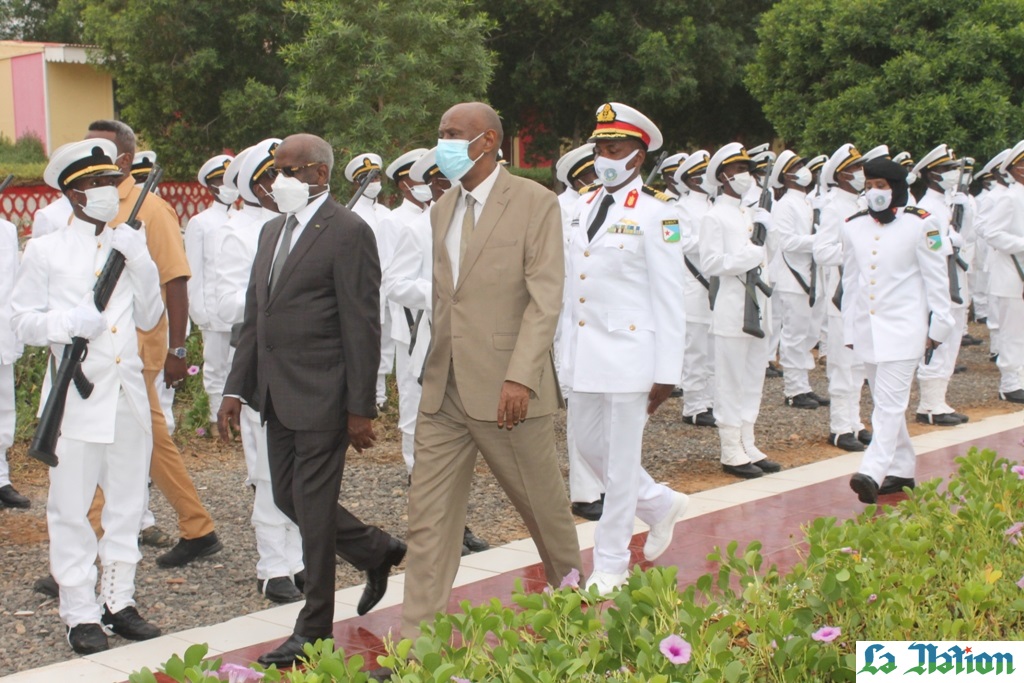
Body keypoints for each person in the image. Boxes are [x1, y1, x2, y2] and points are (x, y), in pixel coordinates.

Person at [219, 133, 406, 667]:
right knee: (286, 498)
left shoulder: (349, 232)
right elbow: (258, 318)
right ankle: (376, 549)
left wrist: (360, 407)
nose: (277, 181)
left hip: (325, 396)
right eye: (275, 171)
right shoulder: (272, 230)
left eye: (288, 170)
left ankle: (314, 628)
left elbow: (361, 324)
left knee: (315, 508)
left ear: (318, 175)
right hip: (276, 394)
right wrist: (236, 387)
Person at [399, 102, 581, 642]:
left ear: (488, 140)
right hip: (445, 391)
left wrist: (521, 376)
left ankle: (576, 614)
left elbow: (545, 298)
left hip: (509, 391)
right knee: (428, 522)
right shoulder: (442, 208)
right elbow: (444, 298)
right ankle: (417, 647)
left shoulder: (534, 202)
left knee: (545, 514)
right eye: (440, 133)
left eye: (453, 134)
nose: (443, 143)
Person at [12, 139, 164, 653]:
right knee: (70, 509)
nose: (107, 192)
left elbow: (148, 317)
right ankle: (79, 611)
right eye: (95, 185)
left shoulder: (128, 240)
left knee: (126, 504)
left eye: (110, 183)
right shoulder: (46, 248)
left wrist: (141, 263)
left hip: (126, 398)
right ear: (73, 194)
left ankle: (119, 602)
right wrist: (65, 322)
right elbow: (19, 320)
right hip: (76, 400)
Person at [560, 102, 689, 594]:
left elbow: (669, 296)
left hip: (633, 354)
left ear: (638, 154)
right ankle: (658, 503)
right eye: (598, 147)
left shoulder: (658, 213)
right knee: (588, 449)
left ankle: (611, 564)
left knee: (616, 462)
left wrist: (667, 370)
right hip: (585, 351)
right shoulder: (582, 204)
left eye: (613, 148)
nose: (602, 156)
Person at [84, 120, 222, 567]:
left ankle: (90, 544)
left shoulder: (152, 210)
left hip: (139, 349)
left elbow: (176, 281)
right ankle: (197, 526)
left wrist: (178, 350)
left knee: (120, 439)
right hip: (97, 348)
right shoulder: (89, 205)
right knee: (147, 441)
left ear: (124, 160)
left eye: (98, 151)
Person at [213, 139, 306, 604]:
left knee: (301, 464)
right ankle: (273, 567)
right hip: (261, 363)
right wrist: (275, 298)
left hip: (301, 363)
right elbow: (224, 302)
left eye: (283, 175)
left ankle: (298, 558)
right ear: (251, 187)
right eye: (268, 178)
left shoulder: (295, 222)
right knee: (269, 469)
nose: (278, 185)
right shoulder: (239, 231)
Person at [844, 158, 954, 503]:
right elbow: (850, 282)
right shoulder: (853, 226)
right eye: (869, 185)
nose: (874, 192)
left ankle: (872, 472)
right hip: (868, 330)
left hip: (905, 329)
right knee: (884, 401)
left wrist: (939, 327)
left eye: (881, 185)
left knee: (889, 406)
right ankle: (902, 468)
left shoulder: (922, 224)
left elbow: (937, 281)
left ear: (898, 187)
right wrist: (849, 330)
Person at [700, 142, 782, 479]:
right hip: (733, 309)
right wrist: (749, 255)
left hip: (758, 307)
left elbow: (768, 259)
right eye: (739, 171)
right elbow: (710, 263)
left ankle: (748, 441)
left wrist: (769, 230)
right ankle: (730, 448)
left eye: (749, 170)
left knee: (753, 379)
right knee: (731, 381)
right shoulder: (713, 216)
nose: (746, 177)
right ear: (723, 176)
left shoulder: (749, 213)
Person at [553, 142, 606, 521]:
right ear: (576, 177)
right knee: (582, 408)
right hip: (572, 319)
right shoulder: (562, 209)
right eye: (590, 172)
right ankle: (585, 493)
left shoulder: (610, 204)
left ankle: (605, 482)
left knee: (607, 407)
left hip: (604, 319)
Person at [813, 143, 871, 452]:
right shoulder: (834, 205)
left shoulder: (863, 203)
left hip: (862, 295)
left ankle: (856, 422)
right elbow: (822, 251)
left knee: (859, 364)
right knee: (841, 364)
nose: (862, 173)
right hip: (840, 295)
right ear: (842, 173)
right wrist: (853, 252)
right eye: (857, 167)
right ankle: (839, 427)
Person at [911, 144, 970, 426]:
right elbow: (930, 246)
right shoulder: (926, 208)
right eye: (947, 170)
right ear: (932, 174)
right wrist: (951, 242)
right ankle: (929, 404)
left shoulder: (946, 203)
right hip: (937, 283)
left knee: (953, 338)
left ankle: (939, 399)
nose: (952, 175)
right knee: (940, 341)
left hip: (953, 279)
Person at [770, 150, 828, 410]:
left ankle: (803, 385)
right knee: (794, 335)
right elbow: (787, 242)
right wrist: (819, 241)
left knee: (809, 334)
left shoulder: (805, 201)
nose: (806, 170)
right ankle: (794, 390)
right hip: (793, 277)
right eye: (799, 166)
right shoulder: (785, 204)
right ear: (787, 175)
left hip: (810, 275)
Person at [183, 154, 236, 427]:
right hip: (212, 308)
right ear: (210, 186)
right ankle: (218, 419)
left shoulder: (241, 219)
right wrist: (198, 310)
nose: (227, 186)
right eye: (220, 181)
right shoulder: (200, 222)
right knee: (215, 366)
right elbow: (193, 270)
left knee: (238, 365)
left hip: (238, 307)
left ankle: (239, 417)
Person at [345, 152, 395, 410]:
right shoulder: (350, 213)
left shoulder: (386, 213)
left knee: (386, 342)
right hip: (363, 288)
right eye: (367, 179)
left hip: (389, 286)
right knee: (366, 343)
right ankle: (368, 396)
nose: (374, 183)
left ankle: (381, 395)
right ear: (357, 183)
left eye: (376, 177)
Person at [674, 150, 717, 428]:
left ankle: (710, 400)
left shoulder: (716, 206)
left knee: (713, 349)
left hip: (717, 285)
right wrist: (712, 241)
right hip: (693, 286)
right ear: (691, 179)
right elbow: (677, 243)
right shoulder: (678, 208)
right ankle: (693, 406)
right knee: (696, 350)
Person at [984, 140, 1024, 404]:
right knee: (1013, 332)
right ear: (1018, 169)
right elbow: (991, 232)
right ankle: (1010, 384)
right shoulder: (1010, 198)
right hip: (1013, 273)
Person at [0, 215, 29, 508]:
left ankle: (1, 479)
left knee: (3, 411)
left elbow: (14, 283)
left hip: (1, 333)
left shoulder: (6, 230)